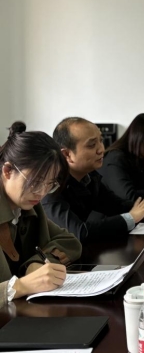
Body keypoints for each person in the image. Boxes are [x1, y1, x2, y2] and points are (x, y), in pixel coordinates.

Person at [42, 118, 144, 243]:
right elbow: (79, 232)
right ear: (67, 154)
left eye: (101, 141)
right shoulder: (50, 185)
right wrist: (131, 217)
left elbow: (115, 205)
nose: (101, 149)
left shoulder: (89, 176)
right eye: (92, 145)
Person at [0, 122, 82, 306]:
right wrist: (21, 286)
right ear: (7, 171)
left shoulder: (28, 207)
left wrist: (35, 264)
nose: (42, 193)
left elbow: (70, 242)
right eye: (35, 182)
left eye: (50, 184)